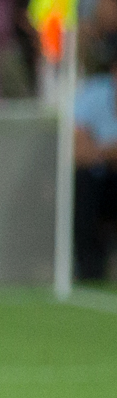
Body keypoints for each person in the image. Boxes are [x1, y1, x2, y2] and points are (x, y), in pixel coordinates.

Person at [74, 60, 117, 280]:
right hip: (99, 180)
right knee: (82, 182)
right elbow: (79, 152)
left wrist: (100, 148)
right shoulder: (94, 94)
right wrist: (109, 152)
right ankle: (90, 269)